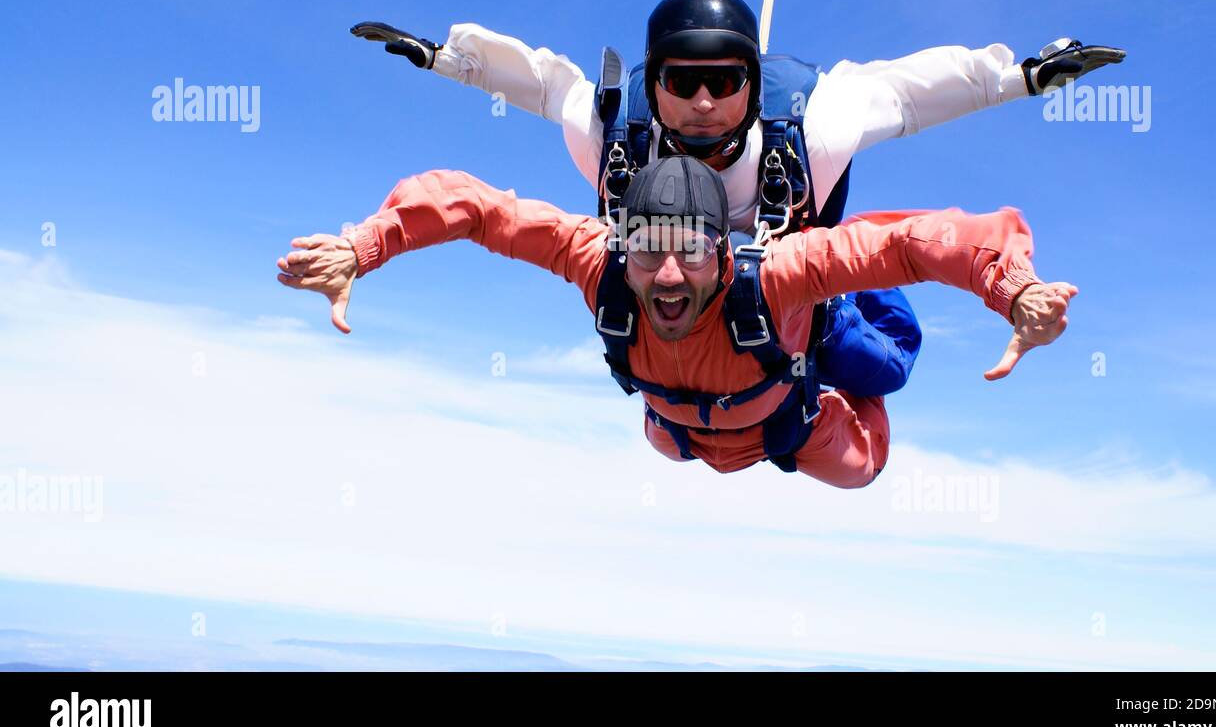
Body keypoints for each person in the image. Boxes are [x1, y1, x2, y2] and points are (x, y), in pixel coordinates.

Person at [351, 0, 1120, 402]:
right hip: (680, 307)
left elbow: (910, 93)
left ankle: (858, 306)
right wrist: (446, 58)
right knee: (665, 409)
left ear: (754, 88)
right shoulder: (614, 134)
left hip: (793, 291)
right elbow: (546, 82)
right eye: (682, 83)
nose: (704, 102)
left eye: (727, 82)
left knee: (879, 371)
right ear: (655, 84)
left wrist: (1020, 77)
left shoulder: (812, 132)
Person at [276, 156, 1075, 489]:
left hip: (790, 398)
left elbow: (913, 243)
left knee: (885, 384)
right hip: (698, 429)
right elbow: (481, 211)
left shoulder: (778, 275)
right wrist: (364, 247)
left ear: (723, 255)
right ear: (621, 246)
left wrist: (1011, 288)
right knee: (668, 442)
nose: (665, 276)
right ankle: (719, 406)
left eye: (689, 253)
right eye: (646, 251)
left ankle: (834, 316)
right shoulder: (600, 267)